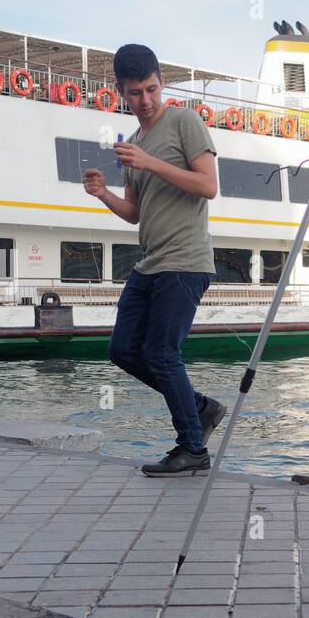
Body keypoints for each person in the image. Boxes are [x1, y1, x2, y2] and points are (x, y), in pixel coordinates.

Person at [83, 44, 227, 476]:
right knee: (123, 350)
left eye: (151, 89)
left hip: (186, 261)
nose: (144, 101)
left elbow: (208, 186)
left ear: (161, 81)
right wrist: (103, 192)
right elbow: (136, 214)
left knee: (163, 353)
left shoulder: (184, 121)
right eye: (134, 93)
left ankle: (193, 450)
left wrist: (150, 162)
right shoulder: (136, 143)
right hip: (151, 262)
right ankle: (200, 407)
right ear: (121, 92)